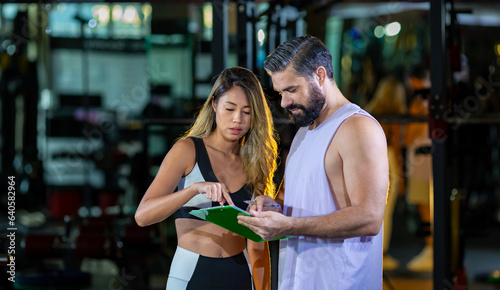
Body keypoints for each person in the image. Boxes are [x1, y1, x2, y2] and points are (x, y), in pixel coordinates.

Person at [237, 36, 389, 289]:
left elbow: (369, 218)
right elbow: (293, 201)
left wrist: (290, 226)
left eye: (291, 90)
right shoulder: (304, 130)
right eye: (280, 92)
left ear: (319, 76)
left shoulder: (358, 128)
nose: (284, 102)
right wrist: (272, 206)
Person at [135, 67, 278, 290]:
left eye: (247, 112)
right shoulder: (187, 150)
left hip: (241, 275)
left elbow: (257, 243)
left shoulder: (256, 161)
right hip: (191, 274)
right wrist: (193, 190)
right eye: (229, 109)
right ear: (214, 105)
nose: (237, 119)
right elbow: (143, 216)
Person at [365, 74, 407, 271]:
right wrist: (402, 174)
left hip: (370, 158)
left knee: (370, 206)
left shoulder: (370, 114)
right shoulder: (396, 115)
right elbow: (397, 146)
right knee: (385, 210)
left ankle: (372, 251)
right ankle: (382, 253)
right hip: (388, 158)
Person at [404, 65, 433, 272]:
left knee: (425, 206)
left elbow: (409, 135)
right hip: (429, 157)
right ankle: (431, 248)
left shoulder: (419, 102)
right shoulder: (435, 98)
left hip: (421, 159)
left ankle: (431, 249)